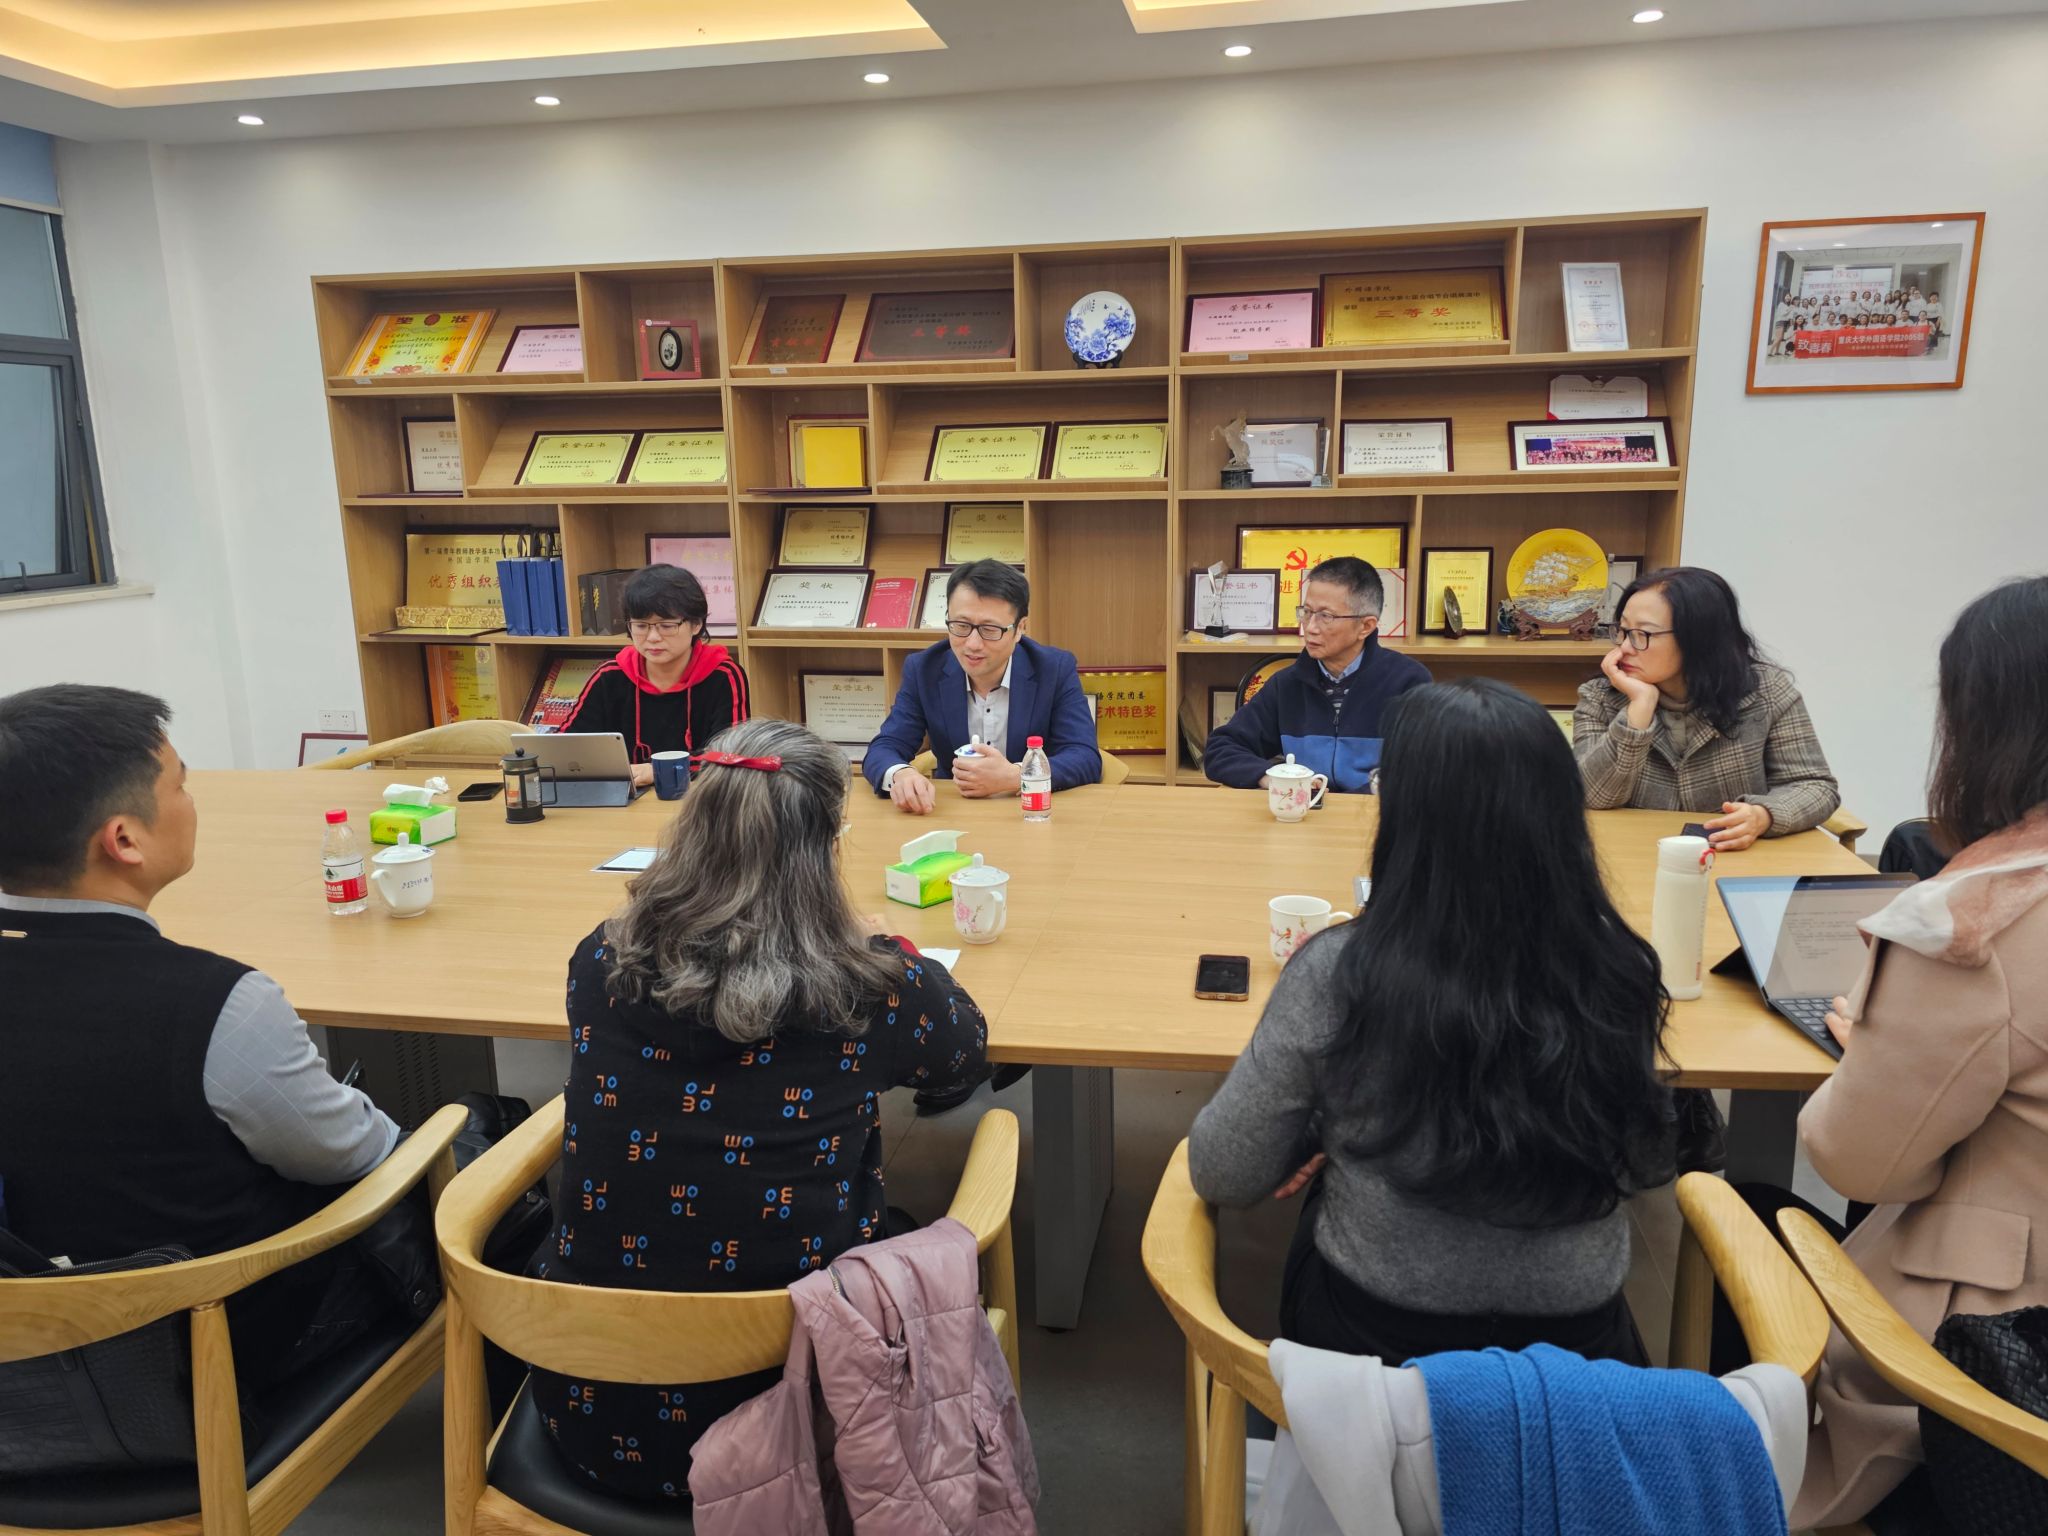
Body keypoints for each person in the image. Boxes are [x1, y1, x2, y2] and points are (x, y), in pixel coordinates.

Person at [527, 720, 991, 1502]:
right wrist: (893, 950)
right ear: (826, 849)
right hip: (812, 1427)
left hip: (591, 1413)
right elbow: (964, 1054)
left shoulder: (599, 961)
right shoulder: (868, 990)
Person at [1190, 679, 1675, 1366]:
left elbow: (1223, 1172)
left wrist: (1332, 1124)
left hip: (1378, 1351)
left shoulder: (1340, 970)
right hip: (1577, 1354)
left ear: (1407, 816)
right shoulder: (1617, 965)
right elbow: (1650, 1164)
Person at [1715, 577, 2048, 1530]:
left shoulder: (1975, 926)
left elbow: (1861, 1163)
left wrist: (1873, 1044)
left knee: (1740, 1204)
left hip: (1994, 1360)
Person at [0, 684, 408, 1399]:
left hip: (28, 1368)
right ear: (124, 840)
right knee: (473, 1150)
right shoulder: (219, 1005)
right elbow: (351, 1154)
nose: (191, 801)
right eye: (180, 785)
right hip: (210, 1353)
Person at [1574, 565, 1839, 851]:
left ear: (1698, 638)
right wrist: (1639, 708)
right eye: (1623, 631)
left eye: (1643, 634)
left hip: (1734, 858)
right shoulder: (1600, 696)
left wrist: (1764, 815)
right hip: (1634, 854)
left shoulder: (1766, 691)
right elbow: (1591, 795)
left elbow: (1815, 786)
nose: (1625, 647)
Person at [864, 559, 1100, 815]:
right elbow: (885, 746)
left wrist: (1016, 775)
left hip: (1033, 814)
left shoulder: (1053, 669)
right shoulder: (924, 669)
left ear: (1020, 628)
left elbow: (1084, 756)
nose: (972, 644)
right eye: (961, 626)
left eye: (989, 629)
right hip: (952, 813)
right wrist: (900, 774)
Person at [1204, 555, 1429, 794]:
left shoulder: (1408, 682)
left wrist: (1347, 803)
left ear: (1366, 626)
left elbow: (1424, 769)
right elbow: (1221, 749)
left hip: (1374, 811)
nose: (1310, 627)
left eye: (1326, 616)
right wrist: (1267, 776)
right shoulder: (1286, 684)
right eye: (1307, 612)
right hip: (1304, 810)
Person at [560, 564, 749, 788]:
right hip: (626, 798)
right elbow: (566, 747)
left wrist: (661, 770)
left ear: (696, 624)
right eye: (641, 626)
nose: (653, 637)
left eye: (666, 626)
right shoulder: (610, 676)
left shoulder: (723, 676)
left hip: (697, 797)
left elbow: (731, 757)